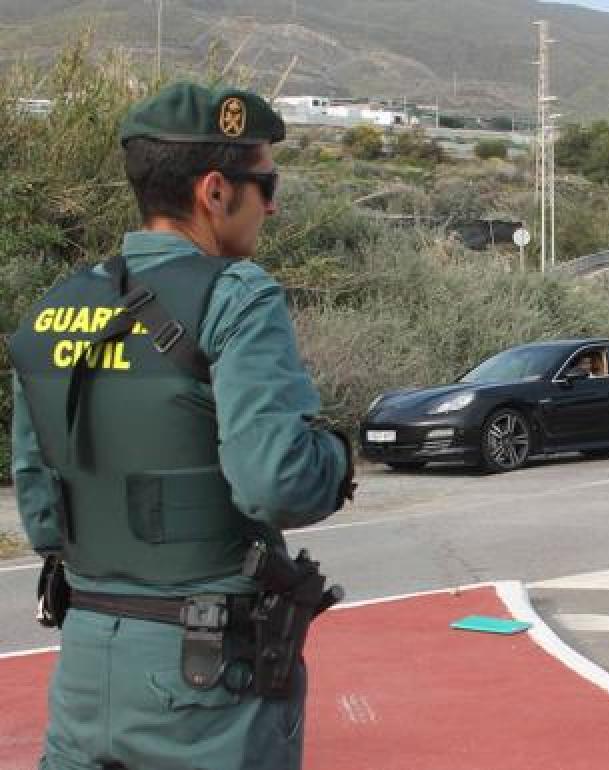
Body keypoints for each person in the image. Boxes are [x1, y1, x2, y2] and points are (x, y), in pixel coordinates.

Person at [8, 82, 354, 769]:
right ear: (216, 192)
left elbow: (44, 517)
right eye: (267, 182)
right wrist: (335, 459)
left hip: (85, 665)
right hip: (205, 682)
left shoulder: (53, 310)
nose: (274, 203)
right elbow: (277, 484)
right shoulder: (236, 296)